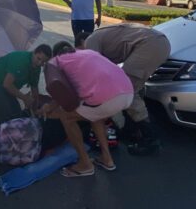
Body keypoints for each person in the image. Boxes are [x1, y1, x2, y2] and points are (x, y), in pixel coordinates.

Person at [77, 23, 171, 155]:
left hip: (149, 44)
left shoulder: (90, 42)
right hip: (159, 42)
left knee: (126, 89)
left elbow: (94, 74)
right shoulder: (102, 36)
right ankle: (131, 130)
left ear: (81, 44)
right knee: (132, 87)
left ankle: (151, 138)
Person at [42, 43, 134, 177]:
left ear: (56, 54)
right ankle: (107, 159)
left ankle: (85, 164)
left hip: (106, 98)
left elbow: (61, 90)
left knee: (66, 116)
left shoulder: (56, 61)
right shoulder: (88, 53)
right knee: (95, 115)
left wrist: (48, 107)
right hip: (127, 92)